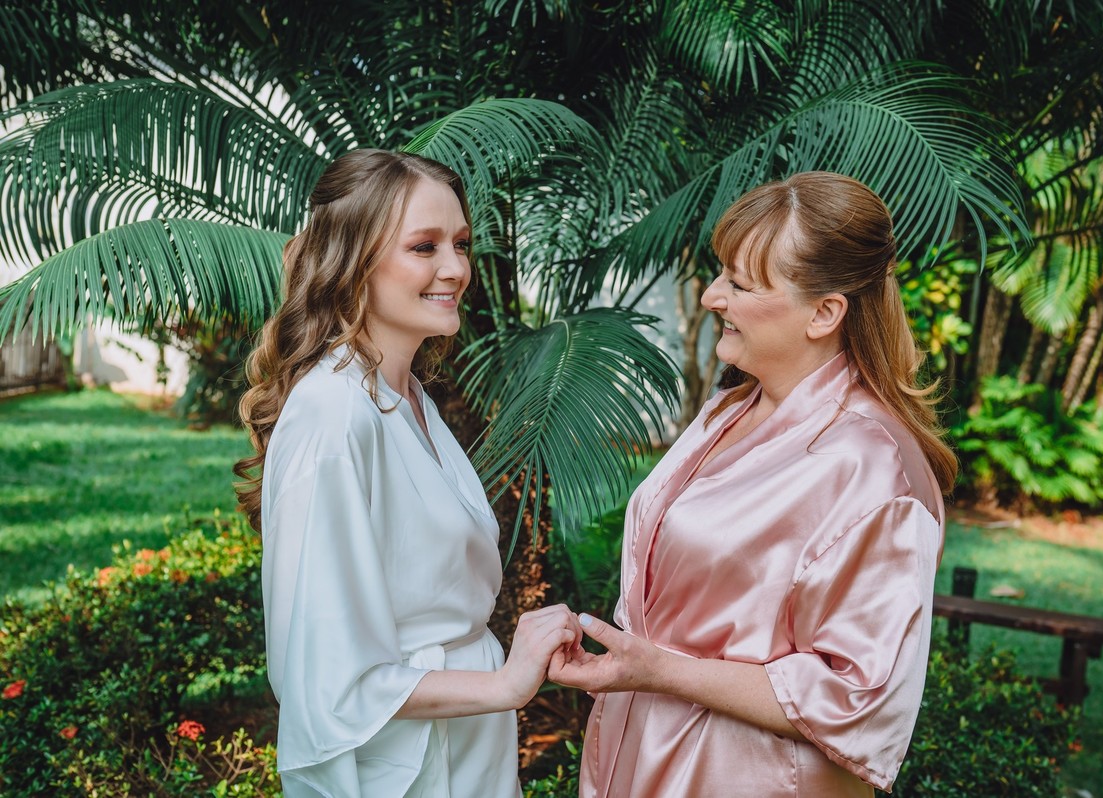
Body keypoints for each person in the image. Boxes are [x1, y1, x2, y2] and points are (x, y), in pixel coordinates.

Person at [549, 171, 957, 797]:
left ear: (824, 313)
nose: (712, 296)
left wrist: (658, 669)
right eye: (721, 274)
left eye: (739, 284)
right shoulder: (726, 411)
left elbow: (858, 696)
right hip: (646, 751)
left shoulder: (874, 467)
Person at [235, 149, 580, 798]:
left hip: (461, 746)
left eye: (461, 243)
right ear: (351, 259)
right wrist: (507, 683)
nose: (456, 269)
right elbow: (330, 680)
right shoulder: (335, 415)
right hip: (402, 769)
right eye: (424, 247)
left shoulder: (406, 396)